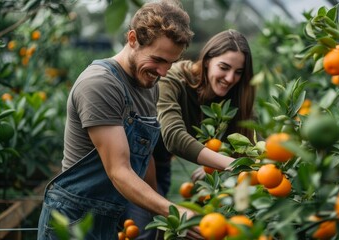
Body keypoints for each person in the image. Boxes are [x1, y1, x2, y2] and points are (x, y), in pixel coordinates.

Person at [36, 1, 198, 239]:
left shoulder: (149, 84)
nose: (164, 72)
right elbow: (119, 171)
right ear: (132, 39)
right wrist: (174, 211)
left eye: (171, 63)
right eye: (158, 60)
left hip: (108, 218)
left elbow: (144, 157)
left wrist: (160, 211)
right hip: (73, 221)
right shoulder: (100, 84)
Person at [130, 29, 257, 240]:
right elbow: (173, 136)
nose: (230, 78)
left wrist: (218, 167)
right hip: (134, 163)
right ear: (207, 61)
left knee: (162, 232)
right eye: (224, 67)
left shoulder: (234, 97)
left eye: (238, 72)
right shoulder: (173, 80)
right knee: (144, 231)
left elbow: (253, 147)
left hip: (160, 164)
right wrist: (227, 163)